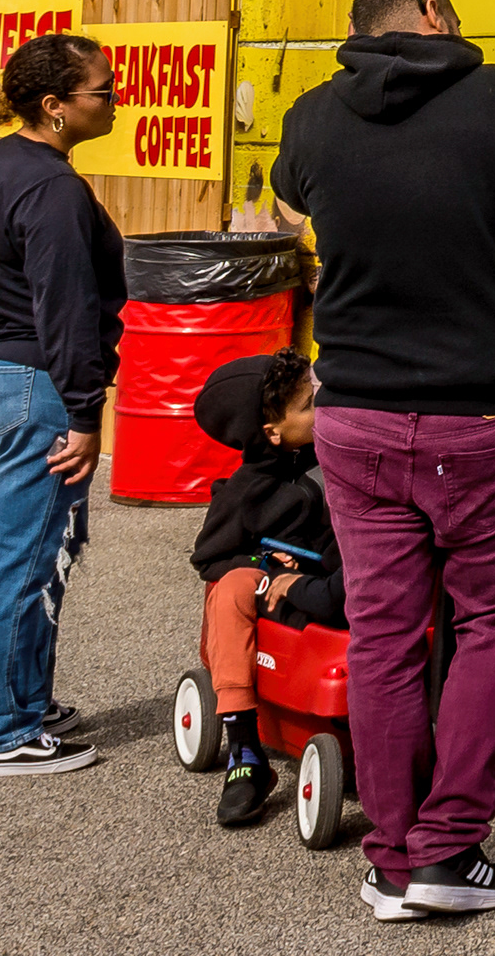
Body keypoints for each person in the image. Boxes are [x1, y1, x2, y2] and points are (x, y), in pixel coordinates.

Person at [271, 0, 495, 922]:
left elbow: (292, 206)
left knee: (382, 635)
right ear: (435, 12)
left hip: (355, 414)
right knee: (491, 624)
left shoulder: (314, 116)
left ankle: (393, 862)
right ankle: (449, 851)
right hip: (481, 410)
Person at [0, 32, 125, 777]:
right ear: (55, 106)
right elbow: (66, 308)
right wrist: (85, 414)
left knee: (47, 549)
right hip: (34, 387)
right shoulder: (51, 188)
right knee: (22, 563)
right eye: (103, 91)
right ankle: (5, 734)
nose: (115, 100)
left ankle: (28, 701)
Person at [186, 350, 342, 830]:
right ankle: (245, 752)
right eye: (309, 405)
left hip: (330, 584)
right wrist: (263, 565)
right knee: (232, 586)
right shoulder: (246, 491)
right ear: (273, 432)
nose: (322, 407)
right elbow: (209, 558)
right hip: (270, 593)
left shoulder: (337, 459)